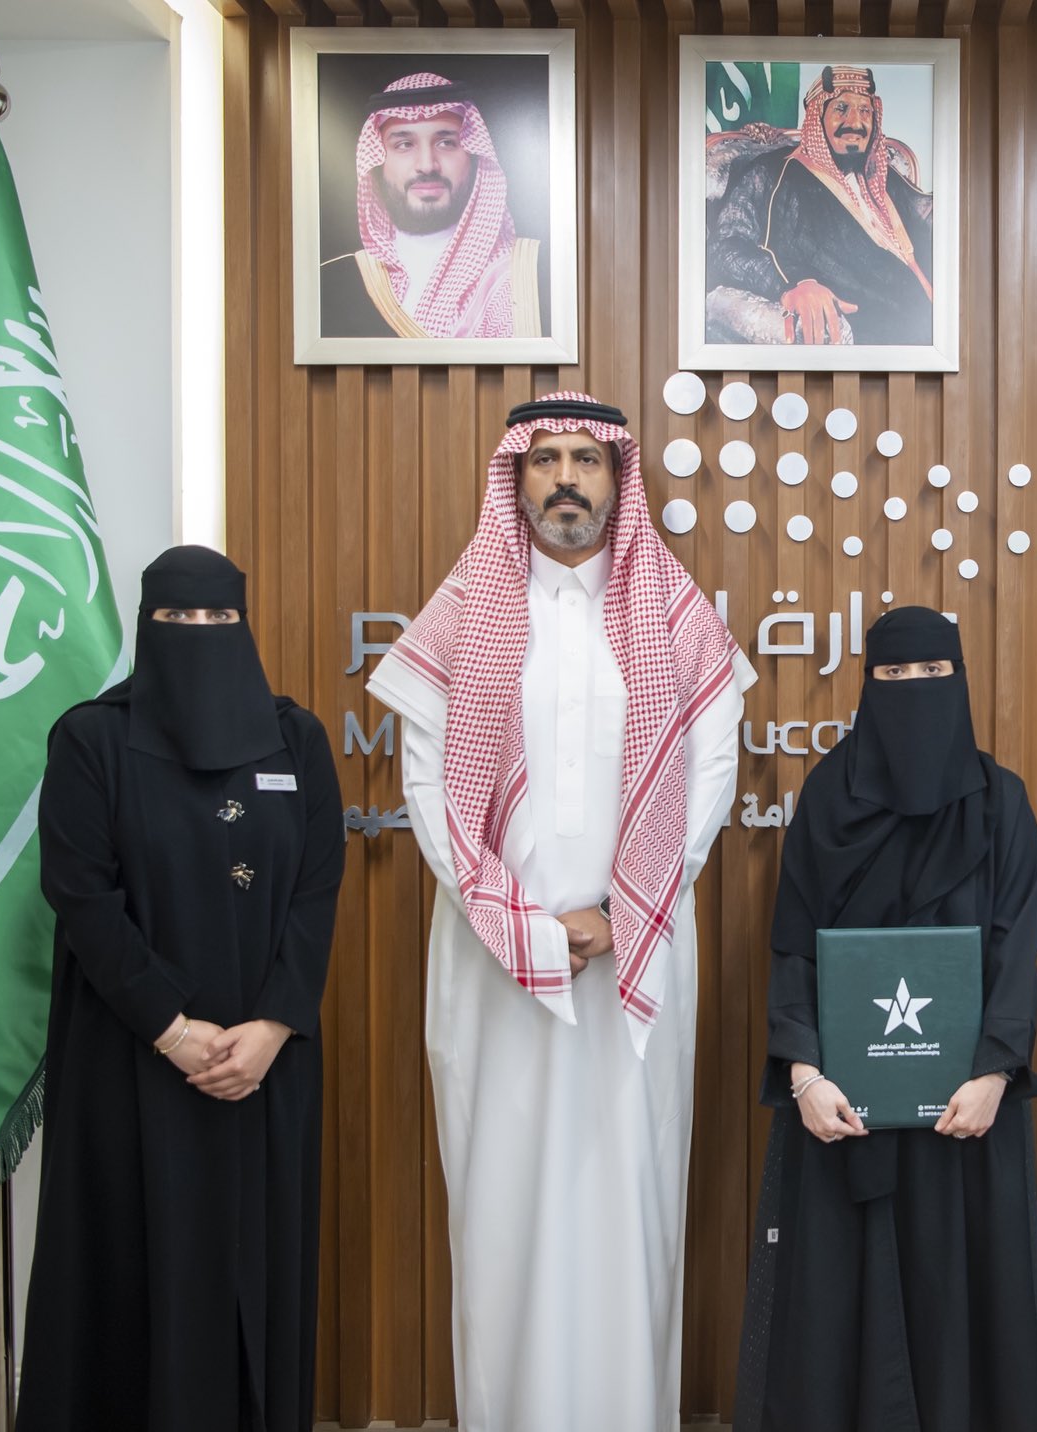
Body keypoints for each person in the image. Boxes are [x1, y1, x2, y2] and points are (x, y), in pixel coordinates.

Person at [367, 392, 753, 1432]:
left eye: (587, 458)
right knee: (502, 1197)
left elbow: (710, 774)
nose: (568, 478)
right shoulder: (464, 613)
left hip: (638, 953)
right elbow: (429, 790)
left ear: (619, 477)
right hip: (492, 960)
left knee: (630, 1194)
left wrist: (622, 912)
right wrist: (524, 924)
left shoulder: (674, 615)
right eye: (546, 460)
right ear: (516, 478)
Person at [16, 546, 345, 1432]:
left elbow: (317, 890)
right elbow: (82, 897)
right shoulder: (92, 741)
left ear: (244, 624)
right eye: (177, 618)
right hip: (131, 1059)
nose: (199, 633)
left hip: (265, 1067)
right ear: (145, 624)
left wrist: (273, 1025)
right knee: (132, 1269)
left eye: (218, 618)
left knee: (256, 1265)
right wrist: (172, 1030)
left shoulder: (297, 740)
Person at [733, 606, 1037, 1432]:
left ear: (961, 679)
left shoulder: (1001, 804)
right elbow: (793, 944)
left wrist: (995, 1073)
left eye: (933, 673)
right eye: (894, 674)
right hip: (844, 1113)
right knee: (839, 1307)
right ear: (868, 684)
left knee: (963, 1299)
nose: (915, 688)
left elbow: (1017, 947)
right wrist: (804, 1073)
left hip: (967, 1114)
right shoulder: (827, 799)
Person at [706, 65, 934, 347]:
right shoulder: (773, 172)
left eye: (865, 111)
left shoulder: (881, 174)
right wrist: (794, 284)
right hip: (871, 329)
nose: (855, 122)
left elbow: (928, 213)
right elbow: (726, 246)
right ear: (817, 117)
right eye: (841, 108)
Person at [320, 71, 544, 341]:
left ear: (474, 156)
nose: (427, 165)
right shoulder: (333, 283)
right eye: (404, 145)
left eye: (446, 143)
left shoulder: (535, 272)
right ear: (378, 162)